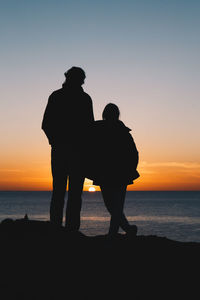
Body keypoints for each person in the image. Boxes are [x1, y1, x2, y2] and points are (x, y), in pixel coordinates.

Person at [42, 67, 94, 230]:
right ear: (75, 79)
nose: (83, 82)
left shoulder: (60, 96)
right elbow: (46, 125)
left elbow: (46, 125)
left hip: (68, 152)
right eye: (81, 79)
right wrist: (56, 142)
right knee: (69, 194)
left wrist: (56, 142)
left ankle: (60, 229)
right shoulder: (81, 98)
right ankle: (68, 230)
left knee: (62, 193)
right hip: (72, 152)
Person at [87, 103, 139, 237]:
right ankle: (127, 229)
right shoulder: (98, 130)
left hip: (117, 174)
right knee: (113, 206)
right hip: (107, 173)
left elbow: (133, 153)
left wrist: (130, 169)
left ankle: (113, 233)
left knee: (115, 206)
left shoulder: (122, 132)